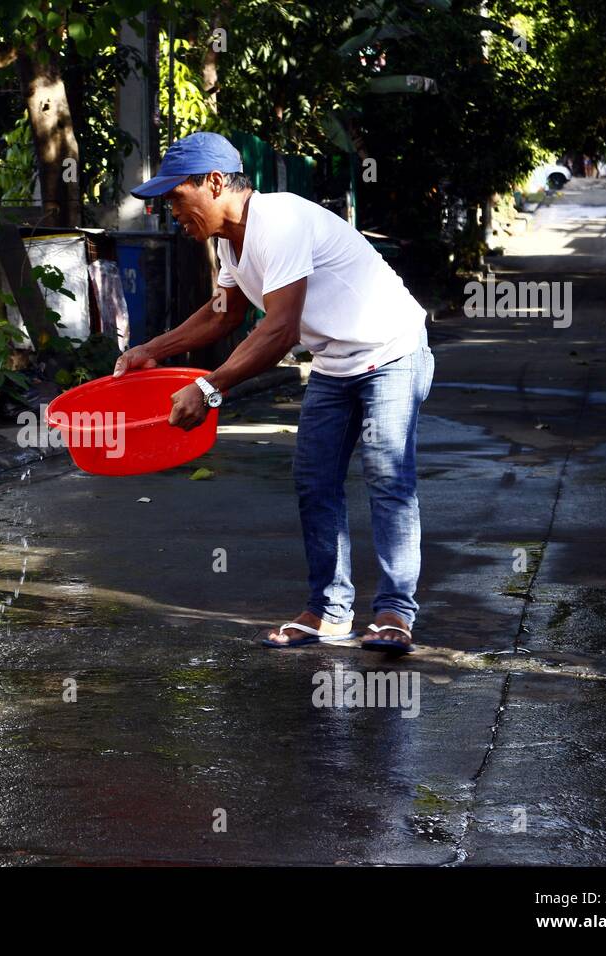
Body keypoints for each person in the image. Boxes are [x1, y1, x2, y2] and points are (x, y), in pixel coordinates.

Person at [115, 132, 434, 653]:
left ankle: (395, 612)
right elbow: (227, 314)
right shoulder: (229, 240)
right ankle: (330, 611)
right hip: (334, 361)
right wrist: (155, 348)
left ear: (215, 183)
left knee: (387, 474)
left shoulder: (279, 220)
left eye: (177, 196)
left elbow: (281, 329)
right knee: (314, 480)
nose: (171, 210)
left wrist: (210, 388)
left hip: (392, 349)